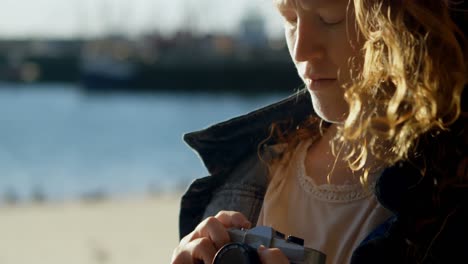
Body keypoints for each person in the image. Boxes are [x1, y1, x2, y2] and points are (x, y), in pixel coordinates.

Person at [172, 0, 467, 263]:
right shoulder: (261, 165)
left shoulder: (451, 191)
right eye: (290, 19)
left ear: (407, 21)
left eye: (329, 18)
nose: (301, 50)